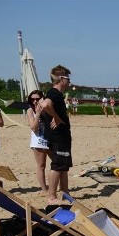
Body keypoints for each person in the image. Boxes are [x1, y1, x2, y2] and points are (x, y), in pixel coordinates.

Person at [39, 65, 74, 205]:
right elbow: (45, 104)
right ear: (61, 79)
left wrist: (56, 116)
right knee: (58, 165)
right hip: (58, 136)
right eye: (68, 78)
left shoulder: (56, 94)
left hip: (62, 136)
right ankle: (52, 196)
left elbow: (45, 103)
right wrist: (57, 118)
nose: (70, 81)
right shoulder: (54, 92)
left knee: (64, 166)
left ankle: (65, 193)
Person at [26, 90, 49, 193]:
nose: (35, 101)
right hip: (38, 140)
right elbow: (34, 128)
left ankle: (55, 185)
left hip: (49, 139)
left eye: (37, 99)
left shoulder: (47, 109)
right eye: (32, 99)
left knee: (57, 163)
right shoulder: (30, 111)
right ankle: (44, 189)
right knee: (41, 165)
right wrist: (38, 114)